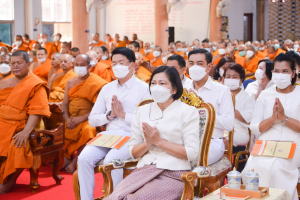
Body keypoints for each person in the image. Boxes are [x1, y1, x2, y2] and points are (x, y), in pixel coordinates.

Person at [104, 66, 199, 200]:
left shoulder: (187, 112)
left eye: (162, 83)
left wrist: (159, 142)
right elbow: (133, 152)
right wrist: (147, 143)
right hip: (144, 170)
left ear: (174, 89)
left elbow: (192, 153)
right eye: (153, 83)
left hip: (175, 173)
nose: (156, 87)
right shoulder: (141, 111)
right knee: (114, 198)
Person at [78, 47, 151, 200]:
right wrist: (109, 116)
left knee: (113, 161)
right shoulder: (107, 88)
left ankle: (116, 197)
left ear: (132, 65)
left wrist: (123, 115)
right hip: (109, 134)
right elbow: (92, 119)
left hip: (132, 135)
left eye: (121, 63)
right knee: (83, 158)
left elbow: (148, 120)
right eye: (114, 63)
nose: (117, 66)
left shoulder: (144, 89)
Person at [241, 53, 300, 200]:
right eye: (277, 71)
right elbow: (254, 127)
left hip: (293, 142)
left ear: (293, 73)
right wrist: (273, 118)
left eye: (285, 71)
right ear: (272, 72)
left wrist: (284, 118)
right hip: (266, 142)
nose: (281, 74)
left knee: (277, 168)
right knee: (251, 169)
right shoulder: (265, 95)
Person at [0, 50, 50, 193]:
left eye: (19, 63)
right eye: (13, 63)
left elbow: (37, 111)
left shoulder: (36, 84)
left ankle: (9, 182)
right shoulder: (4, 83)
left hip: (25, 126)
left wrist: (26, 132)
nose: (15, 66)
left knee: (18, 145)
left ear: (28, 64)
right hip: (3, 123)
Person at [185, 49, 234, 165]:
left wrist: (202, 111)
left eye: (200, 63)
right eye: (191, 63)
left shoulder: (222, 90)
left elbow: (229, 124)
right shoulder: (183, 89)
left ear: (209, 67)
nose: (194, 67)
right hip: (184, 140)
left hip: (212, 141)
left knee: (191, 160)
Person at [61, 54, 107, 173]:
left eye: (82, 65)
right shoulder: (70, 82)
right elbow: (64, 104)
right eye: (77, 65)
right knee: (62, 129)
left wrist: (80, 119)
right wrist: (67, 119)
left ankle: (76, 160)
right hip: (71, 118)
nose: (79, 67)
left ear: (89, 67)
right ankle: (66, 158)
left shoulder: (97, 83)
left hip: (88, 118)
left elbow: (100, 108)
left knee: (88, 130)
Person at [222, 63, 255, 171]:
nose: (231, 79)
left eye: (234, 77)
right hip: (221, 129)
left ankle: (223, 172)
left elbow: (248, 119)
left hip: (239, 131)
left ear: (241, 80)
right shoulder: (221, 94)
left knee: (223, 142)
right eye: (228, 76)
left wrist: (230, 108)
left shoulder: (248, 97)